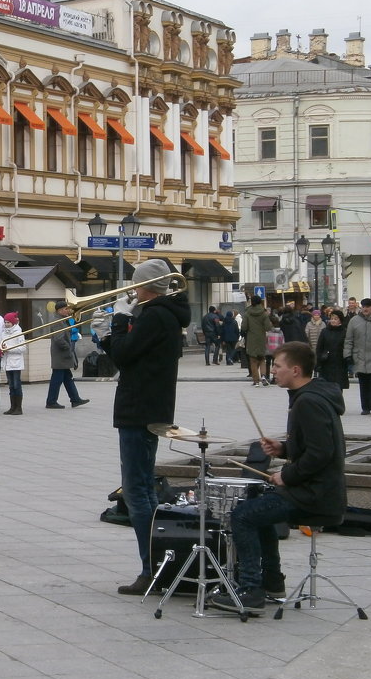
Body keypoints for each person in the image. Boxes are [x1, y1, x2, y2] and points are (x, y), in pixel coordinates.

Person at [210, 342, 346, 614]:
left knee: (243, 516)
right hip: (314, 488)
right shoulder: (309, 395)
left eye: (278, 366)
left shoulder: (308, 402)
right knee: (258, 509)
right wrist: (284, 448)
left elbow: (321, 454)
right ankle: (272, 581)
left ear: (295, 370)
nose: (274, 371)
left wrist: (286, 475)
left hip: (316, 494)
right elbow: (313, 445)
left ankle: (251, 590)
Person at [102, 259, 191, 594]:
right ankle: (159, 566)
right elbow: (127, 354)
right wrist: (112, 335)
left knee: (137, 491)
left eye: (135, 286)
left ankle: (152, 569)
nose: (132, 291)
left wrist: (120, 321)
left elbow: (124, 355)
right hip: (148, 407)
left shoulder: (154, 315)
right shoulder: (164, 315)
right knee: (142, 490)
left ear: (147, 286)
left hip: (139, 409)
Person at [45, 300, 89, 410]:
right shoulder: (57, 321)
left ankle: (75, 399)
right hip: (61, 355)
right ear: (60, 310)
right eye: (66, 309)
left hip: (63, 355)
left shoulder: (62, 320)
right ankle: (51, 401)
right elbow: (59, 339)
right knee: (57, 378)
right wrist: (68, 348)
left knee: (67, 378)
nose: (68, 310)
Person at [241, 295, 272, 387]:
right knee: (262, 359)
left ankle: (256, 381)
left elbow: (244, 327)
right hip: (261, 338)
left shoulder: (247, 313)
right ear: (260, 302)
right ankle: (263, 376)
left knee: (253, 360)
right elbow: (268, 327)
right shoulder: (264, 313)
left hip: (251, 339)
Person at [0, 311, 26, 415]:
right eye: (5, 322)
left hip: (16, 363)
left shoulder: (18, 333)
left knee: (16, 385)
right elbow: (1, 345)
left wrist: (9, 349)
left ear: (13, 323)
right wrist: (1, 351)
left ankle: (18, 408)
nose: (6, 324)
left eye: (8, 322)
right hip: (7, 362)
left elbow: (23, 348)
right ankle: (12, 407)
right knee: (11, 386)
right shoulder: (3, 333)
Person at [316, 309, 349, 390]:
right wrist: (318, 362)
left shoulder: (344, 332)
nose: (333, 320)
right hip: (326, 363)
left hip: (340, 364)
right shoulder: (325, 331)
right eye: (332, 318)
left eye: (336, 319)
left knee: (338, 388)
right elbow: (319, 347)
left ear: (340, 320)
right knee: (326, 388)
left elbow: (347, 346)